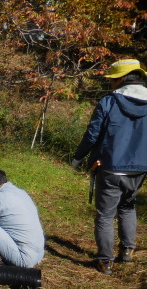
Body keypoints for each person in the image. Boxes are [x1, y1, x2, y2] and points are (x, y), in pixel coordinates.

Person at [72, 59, 147, 275]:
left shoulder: (109, 102)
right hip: (140, 168)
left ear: (122, 78)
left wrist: (78, 157)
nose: (111, 83)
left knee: (105, 215)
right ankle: (127, 250)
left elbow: (93, 133)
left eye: (113, 79)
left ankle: (105, 260)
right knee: (128, 206)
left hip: (111, 166)